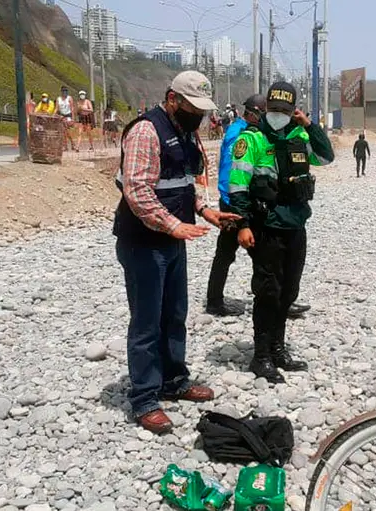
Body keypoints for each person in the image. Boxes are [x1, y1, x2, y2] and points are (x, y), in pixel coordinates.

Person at [112, 71, 241, 434]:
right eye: (191, 107)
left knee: (174, 314)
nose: (197, 115)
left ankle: (174, 380)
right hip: (144, 241)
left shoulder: (184, 134)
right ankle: (145, 398)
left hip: (172, 239)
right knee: (146, 321)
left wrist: (205, 211)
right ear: (172, 99)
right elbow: (136, 190)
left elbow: (184, 184)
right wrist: (173, 225)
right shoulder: (145, 131)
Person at [228, 81, 335, 383]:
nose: (278, 114)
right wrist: (243, 225)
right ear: (265, 108)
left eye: (285, 111)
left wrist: (310, 125)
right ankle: (261, 355)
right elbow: (238, 186)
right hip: (265, 227)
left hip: (295, 224)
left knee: (289, 291)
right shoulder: (252, 140)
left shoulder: (299, 134)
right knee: (267, 292)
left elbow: (326, 158)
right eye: (274, 109)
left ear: (293, 111)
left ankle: (278, 349)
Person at [205, 96, 263, 317]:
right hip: (234, 203)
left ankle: (276, 298)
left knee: (259, 254)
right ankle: (214, 301)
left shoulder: (245, 130)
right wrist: (234, 208)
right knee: (228, 253)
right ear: (253, 113)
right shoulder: (237, 134)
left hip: (244, 202)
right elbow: (229, 171)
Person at [57, 86, 78, 152]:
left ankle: (70, 144)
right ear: (61, 92)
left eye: (66, 91)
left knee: (66, 131)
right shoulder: (58, 99)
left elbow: (72, 108)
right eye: (63, 91)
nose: (64, 92)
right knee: (64, 131)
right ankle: (66, 145)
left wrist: (73, 118)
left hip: (68, 115)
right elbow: (57, 108)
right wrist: (54, 115)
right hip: (61, 116)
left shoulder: (69, 98)